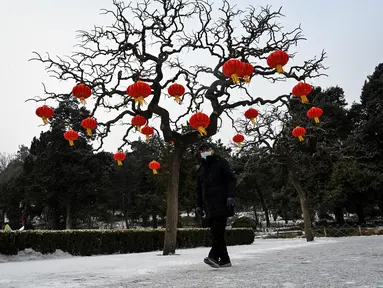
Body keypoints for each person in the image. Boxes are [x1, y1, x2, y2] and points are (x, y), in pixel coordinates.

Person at [195, 143, 236, 268]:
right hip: (209, 205)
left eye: (207, 149)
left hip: (222, 202)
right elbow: (198, 189)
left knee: (218, 231)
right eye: (202, 150)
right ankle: (225, 259)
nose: (204, 152)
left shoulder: (221, 162)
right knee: (216, 232)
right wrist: (198, 205)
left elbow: (231, 179)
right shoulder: (201, 169)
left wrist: (231, 196)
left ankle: (213, 256)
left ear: (212, 150)